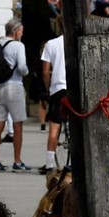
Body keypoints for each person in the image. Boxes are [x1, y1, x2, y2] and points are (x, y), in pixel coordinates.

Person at [0, 19, 31, 173]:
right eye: (22, 30)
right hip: (15, 87)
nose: (22, 33)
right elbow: (22, 68)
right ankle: (17, 161)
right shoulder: (18, 45)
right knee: (18, 125)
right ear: (16, 31)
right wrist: (27, 72)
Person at [39, 31, 67, 175]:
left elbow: (45, 71)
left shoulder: (51, 44)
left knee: (54, 128)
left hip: (57, 89)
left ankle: (49, 163)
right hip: (74, 89)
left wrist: (48, 88)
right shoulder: (76, 40)